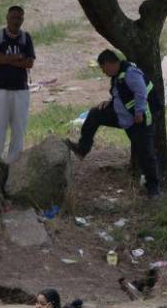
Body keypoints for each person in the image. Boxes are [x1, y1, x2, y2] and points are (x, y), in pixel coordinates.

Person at [65, 49, 161, 199]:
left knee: (146, 153)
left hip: (139, 120)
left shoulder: (130, 72)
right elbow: (122, 93)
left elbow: (141, 91)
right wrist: (110, 102)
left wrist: (139, 112)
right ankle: (82, 148)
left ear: (110, 64)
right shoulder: (118, 75)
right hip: (122, 115)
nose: (103, 72)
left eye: (103, 68)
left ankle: (153, 189)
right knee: (95, 114)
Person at [0, 5, 35, 164]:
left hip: (20, 89)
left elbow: (29, 63)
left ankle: (14, 162)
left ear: (23, 19)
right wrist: (17, 57)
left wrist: (7, 59)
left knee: (19, 128)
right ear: (7, 18)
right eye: (13, 17)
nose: (16, 21)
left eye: (19, 18)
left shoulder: (26, 38)